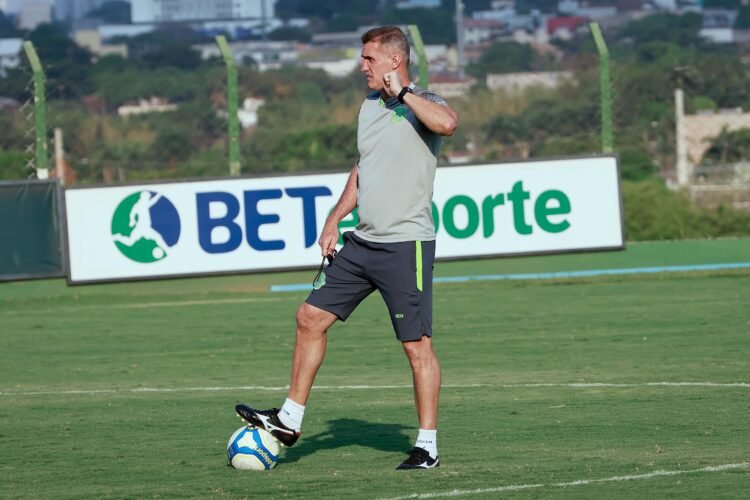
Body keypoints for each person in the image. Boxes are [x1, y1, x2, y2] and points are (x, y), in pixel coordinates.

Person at [235, 25, 458, 470]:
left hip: (405, 245)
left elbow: (448, 125)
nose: (362, 67)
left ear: (394, 61)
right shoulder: (368, 106)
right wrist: (335, 218)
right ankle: (288, 420)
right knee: (309, 317)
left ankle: (427, 446)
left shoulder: (425, 102)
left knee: (416, 346)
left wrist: (406, 92)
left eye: (369, 59)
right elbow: (363, 166)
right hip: (363, 242)